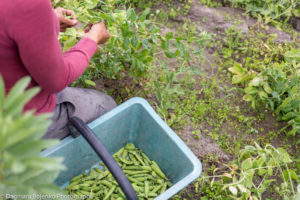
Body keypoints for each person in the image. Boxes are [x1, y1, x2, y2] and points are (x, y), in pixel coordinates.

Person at [0, 0, 117, 139]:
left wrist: (47, 20)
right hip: (15, 121)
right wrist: (92, 39)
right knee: (106, 106)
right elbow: (56, 81)